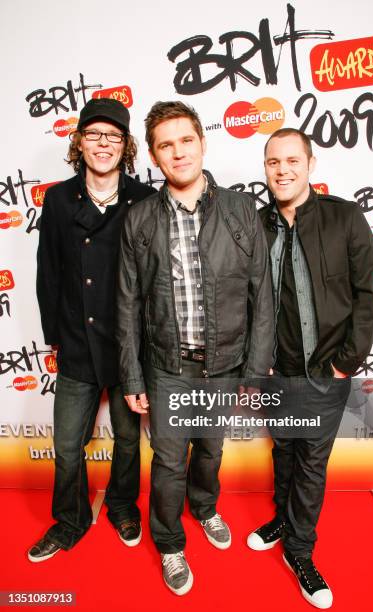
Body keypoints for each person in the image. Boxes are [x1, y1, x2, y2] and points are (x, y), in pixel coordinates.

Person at [116, 101, 274, 595]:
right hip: (167, 367)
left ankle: (205, 508)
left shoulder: (241, 210)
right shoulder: (139, 218)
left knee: (209, 449)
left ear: (202, 144)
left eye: (186, 140)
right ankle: (169, 544)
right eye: (166, 145)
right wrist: (132, 376)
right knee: (167, 463)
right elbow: (126, 303)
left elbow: (261, 295)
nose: (178, 152)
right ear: (154, 157)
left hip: (226, 364)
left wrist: (254, 370)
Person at [247, 128, 373, 609]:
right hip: (274, 372)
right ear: (265, 168)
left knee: (310, 463)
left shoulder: (345, 217)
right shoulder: (255, 224)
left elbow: (367, 294)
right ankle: (283, 519)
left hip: (326, 372)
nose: (281, 170)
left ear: (310, 164)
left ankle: (300, 551)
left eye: (291, 161)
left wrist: (346, 363)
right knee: (283, 450)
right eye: (272, 162)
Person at [29, 98, 155, 562]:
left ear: (125, 146)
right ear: (79, 142)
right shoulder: (60, 198)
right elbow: (49, 271)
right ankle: (70, 520)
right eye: (94, 134)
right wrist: (54, 336)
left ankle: (123, 506)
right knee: (66, 445)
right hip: (78, 342)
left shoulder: (143, 199)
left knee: (127, 439)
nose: (103, 144)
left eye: (113, 136)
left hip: (128, 345)